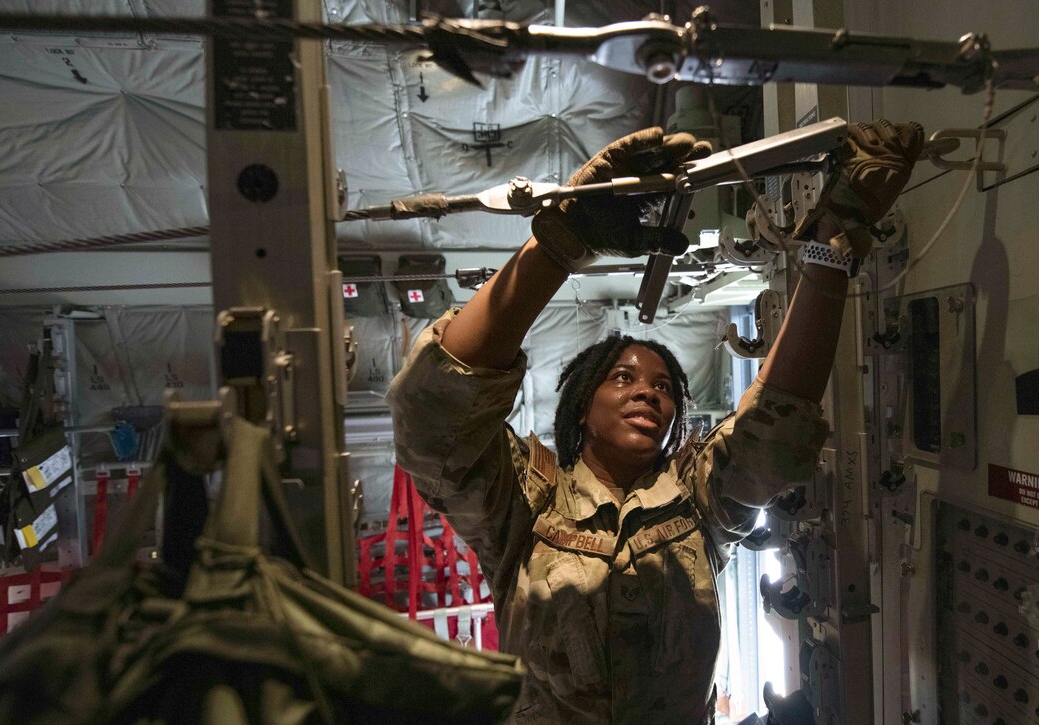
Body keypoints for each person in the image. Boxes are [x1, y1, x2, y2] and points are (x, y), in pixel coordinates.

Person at [387, 121, 924, 723]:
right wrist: (561, 242)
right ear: (582, 407)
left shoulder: (697, 500)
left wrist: (835, 238)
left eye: (663, 387)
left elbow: (775, 428)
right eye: (622, 378)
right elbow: (433, 419)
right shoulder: (525, 506)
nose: (647, 391)